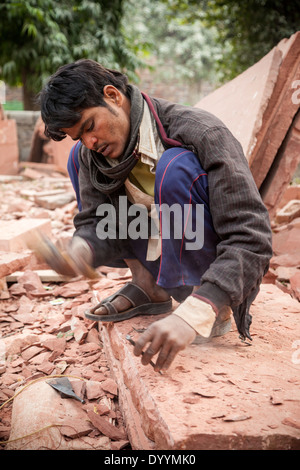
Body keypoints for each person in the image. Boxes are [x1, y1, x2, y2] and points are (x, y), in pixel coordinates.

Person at [39, 59, 272, 373]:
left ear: (113, 96)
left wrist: (192, 315)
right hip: (155, 242)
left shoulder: (203, 133)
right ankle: (150, 286)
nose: (90, 142)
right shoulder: (90, 153)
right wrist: (79, 251)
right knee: (79, 160)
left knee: (175, 169)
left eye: (90, 126)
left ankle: (210, 305)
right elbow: (97, 222)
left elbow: (251, 238)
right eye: (78, 135)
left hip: (209, 269)